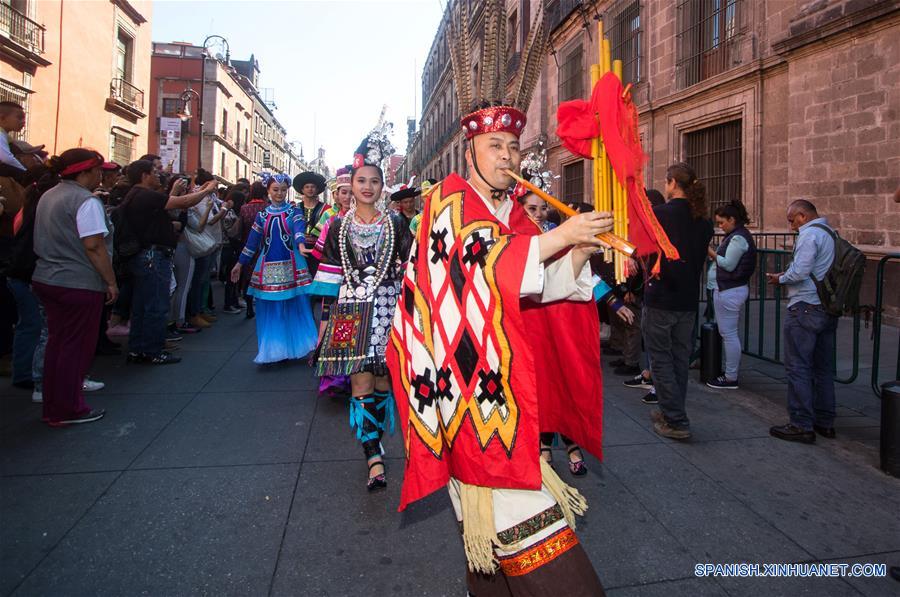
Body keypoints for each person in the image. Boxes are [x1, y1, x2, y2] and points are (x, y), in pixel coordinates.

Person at [388, 3, 612, 587]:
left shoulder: (511, 214)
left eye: (512, 148)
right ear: (470, 153)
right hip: (462, 395)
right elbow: (480, 264)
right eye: (495, 148)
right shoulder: (448, 203)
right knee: (551, 562)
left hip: (498, 395)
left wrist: (579, 253)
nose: (508, 159)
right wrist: (559, 235)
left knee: (487, 551)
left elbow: (533, 287)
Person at [309, 131, 412, 491]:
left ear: (384, 186)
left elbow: (413, 269)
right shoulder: (338, 225)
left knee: (383, 382)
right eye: (361, 181)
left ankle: (377, 437)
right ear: (350, 185)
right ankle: (373, 455)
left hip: (388, 310)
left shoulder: (396, 223)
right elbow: (328, 280)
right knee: (360, 381)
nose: (367, 187)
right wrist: (324, 328)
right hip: (349, 313)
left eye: (374, 181)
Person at [30, 149, 113, 426]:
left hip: (46, 277)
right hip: (77, 281)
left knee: (57, 343)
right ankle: (69, 408)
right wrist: (110, 281)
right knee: (75, 348)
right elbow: (94, 246)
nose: (101, 176)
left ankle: (53, 405)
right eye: (98, 171)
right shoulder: (85, 200)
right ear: (85, 171)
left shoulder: (48, 195)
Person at [643, 163, 714, 440]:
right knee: (679, 360)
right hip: (687, 300)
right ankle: (671, 410)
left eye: (667, 181)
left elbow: (646, 250)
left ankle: (675, 419)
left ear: (672, 183)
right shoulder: (704, 221)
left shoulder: (659, 215)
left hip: (662, 296)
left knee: (661, 360)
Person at [123, 160, 216, 364]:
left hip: (147, 256)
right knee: (156, 303)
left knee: (142, 305)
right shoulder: (145, 195)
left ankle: (138, 348)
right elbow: (183, 203)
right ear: (144, 176)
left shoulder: (137, 195)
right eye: (155, 172)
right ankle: (152, 350)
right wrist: (206, 190)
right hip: (153, 257)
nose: (159, 175)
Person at [766, 199, 837, 444]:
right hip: (826, 307)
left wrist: (780, 278)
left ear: (803, 216)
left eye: (791, 220)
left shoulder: (809, 235)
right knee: (823, 368)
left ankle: (800, 423)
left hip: (805, 306)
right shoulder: (831, 233)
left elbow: (800, 271)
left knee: (798, 366)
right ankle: (825, 421)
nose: (791, 227)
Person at [230, 173, 317, 364]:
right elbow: (252, 243)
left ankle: (301, 346)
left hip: (291, 265)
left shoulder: (294, 212)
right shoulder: (262, 216)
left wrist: (301, 244)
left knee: (295, 306)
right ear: (268, 191)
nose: (279, 194)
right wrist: (239, 264)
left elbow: (298, 229)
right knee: (272, 309)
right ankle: (275, 350)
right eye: (275, 190)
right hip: (268, 267)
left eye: (283, 190)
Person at [706, 200, 756, 390]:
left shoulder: (738, 238)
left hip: (729, 290)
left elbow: (728, 264)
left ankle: (730, 376)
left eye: (722, 222)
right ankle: (729, 373)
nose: (720, 227)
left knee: (729, 334)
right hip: (728, 288)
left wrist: (710, 252)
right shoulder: (736, 236)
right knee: (727, 333)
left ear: (732, 219)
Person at [238, 181, 269, 319]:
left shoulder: (244, 208)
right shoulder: (268, 208)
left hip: (247, 245)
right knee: (264, 277)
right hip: (265, 247)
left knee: (248, 277)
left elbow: (240, 229)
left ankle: (249, 305)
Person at [292, 170, 327, 275]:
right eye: (307, 187)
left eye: (313, 187)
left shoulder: (326, 209)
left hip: (318, 250)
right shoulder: (295, 208)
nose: (310, 189)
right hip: (298, 248)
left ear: (317, 189)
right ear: (302, 189)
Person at [219, 189, 245, 314]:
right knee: (231, 276)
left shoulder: (234, 212)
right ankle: (228, 304)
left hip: (233, 247)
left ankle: (234, 301)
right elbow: (230, 232)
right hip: (230, 247)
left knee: (234, 277)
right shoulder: (229, 214)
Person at [0, 101, 26, 171]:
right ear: (2, 118)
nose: (24, 122)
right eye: (19, 118)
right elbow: (7, 159)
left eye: (24, 119)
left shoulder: (6, 136)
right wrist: (26, 172)